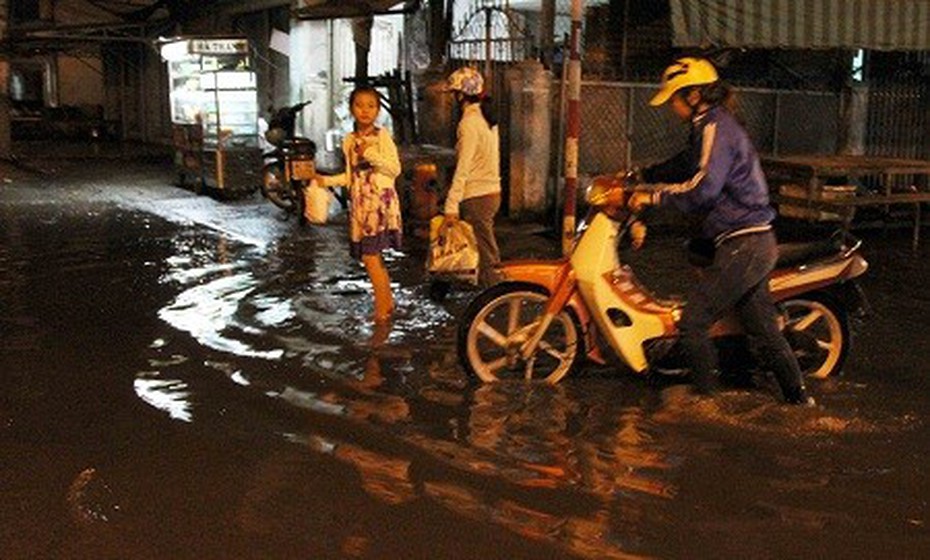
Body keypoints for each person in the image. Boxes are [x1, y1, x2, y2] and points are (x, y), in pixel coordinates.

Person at [628, 57, 814, 406]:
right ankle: (800, 404)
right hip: (751, 241)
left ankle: (705, 406)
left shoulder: (716, 127)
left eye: (674, 98)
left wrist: (651, 196)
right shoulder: (707, 126)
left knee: (693, 322)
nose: (671, 105)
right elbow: (686, 162)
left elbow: (703, 190)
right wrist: (642, 176)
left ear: (695, 95)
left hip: (744, 243)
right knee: (766, 334)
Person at [317, 86, 403, 324]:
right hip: (360, 206)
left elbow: (395, 169)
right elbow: (350, 176)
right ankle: (387, 305)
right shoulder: (349, 140)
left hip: (379, 205)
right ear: (352, 109)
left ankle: (381, 311)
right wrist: (324, 180)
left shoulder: (382, 136)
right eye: (360, 105)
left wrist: (370, 154)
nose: (365, 111)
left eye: (371, 106)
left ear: (377, 110)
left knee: (370, 256)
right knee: (373, 257)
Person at [442, 66, 502, 289]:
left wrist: (451, 204)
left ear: (460, 95)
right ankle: (489, 294)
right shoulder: (487, 119)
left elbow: (463, 168)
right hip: (492, 193)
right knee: (481, 248)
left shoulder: (469, 123)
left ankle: (498, 295)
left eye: (453, 95)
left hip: (477, 196)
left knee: (487, 254)